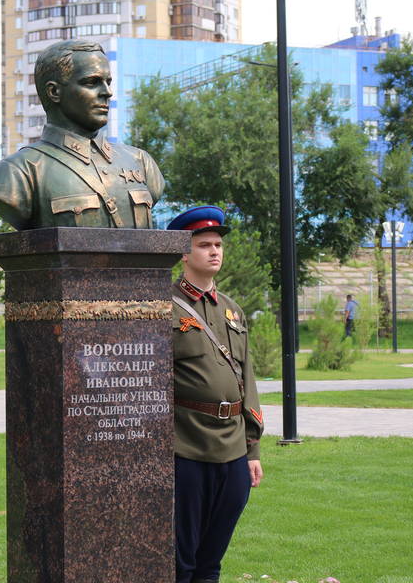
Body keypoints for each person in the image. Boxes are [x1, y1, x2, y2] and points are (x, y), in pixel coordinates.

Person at [167, 206, 264, 583]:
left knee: (212, 561)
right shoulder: (163, 306)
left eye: (218, 244)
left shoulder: (232, 312)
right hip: (186, 448)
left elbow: (247, 381)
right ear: (184, 253)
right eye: (204, 244)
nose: (214, 251)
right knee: (182, 561)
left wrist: (252, 449)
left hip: (233, 451)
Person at [0, 39, 165, 230]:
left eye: (108, 82)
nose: (107, 93)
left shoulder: (140, 162)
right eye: (92, 82)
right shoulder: (18, 172)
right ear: (54, 92)